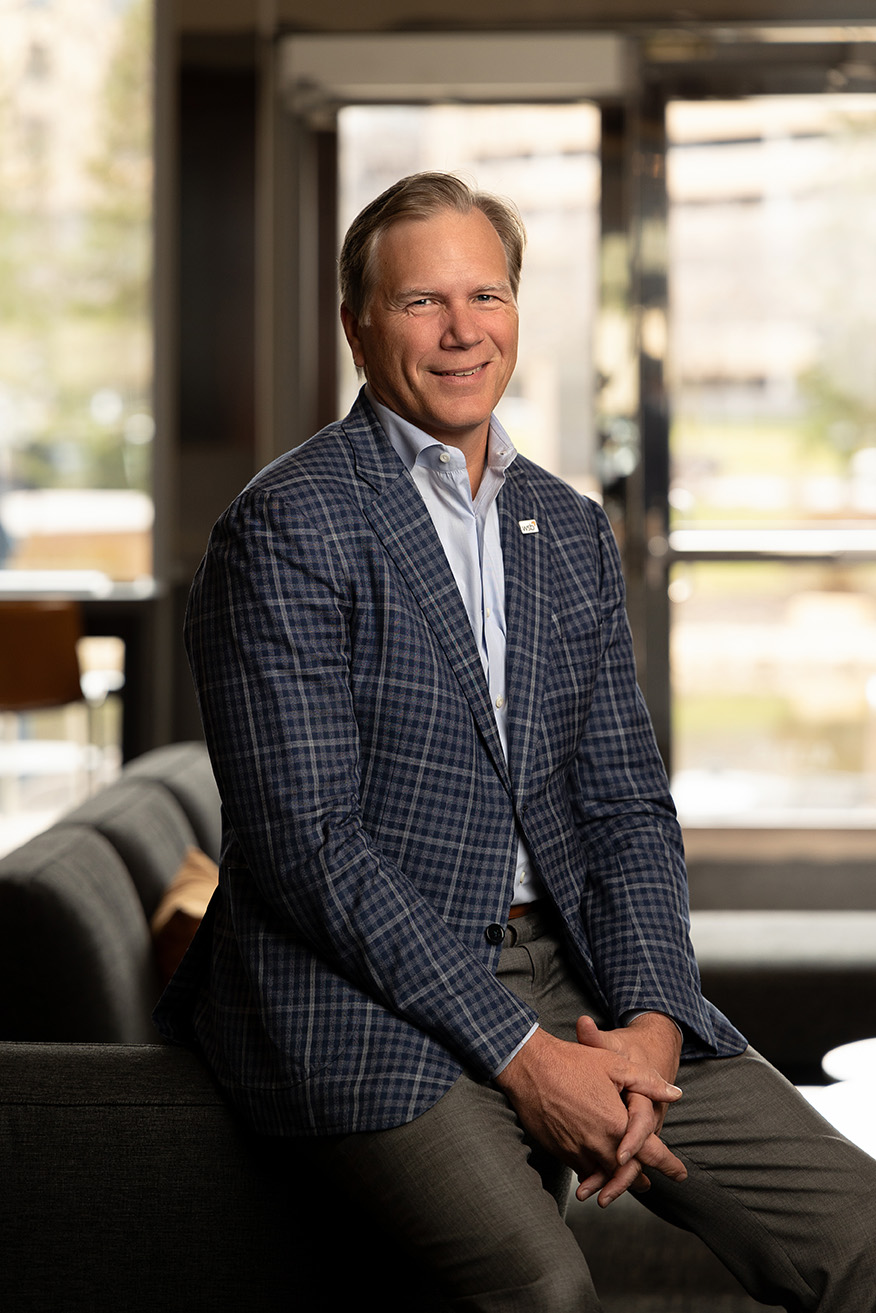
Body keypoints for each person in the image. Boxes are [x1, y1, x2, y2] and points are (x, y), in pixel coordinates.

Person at [155, 172, 876, 1311]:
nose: (461, 331)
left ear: (518, 311)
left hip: (581, 972)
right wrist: (529, 1060)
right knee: (542, 1286)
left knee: (858, 1228)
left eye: (485, 294)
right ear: (357, 324)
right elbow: (310, 850)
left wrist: (645, 1022)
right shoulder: (285, 525)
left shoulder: (568, 527)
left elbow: (627, 804)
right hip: (361, 999)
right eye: (420, 302)